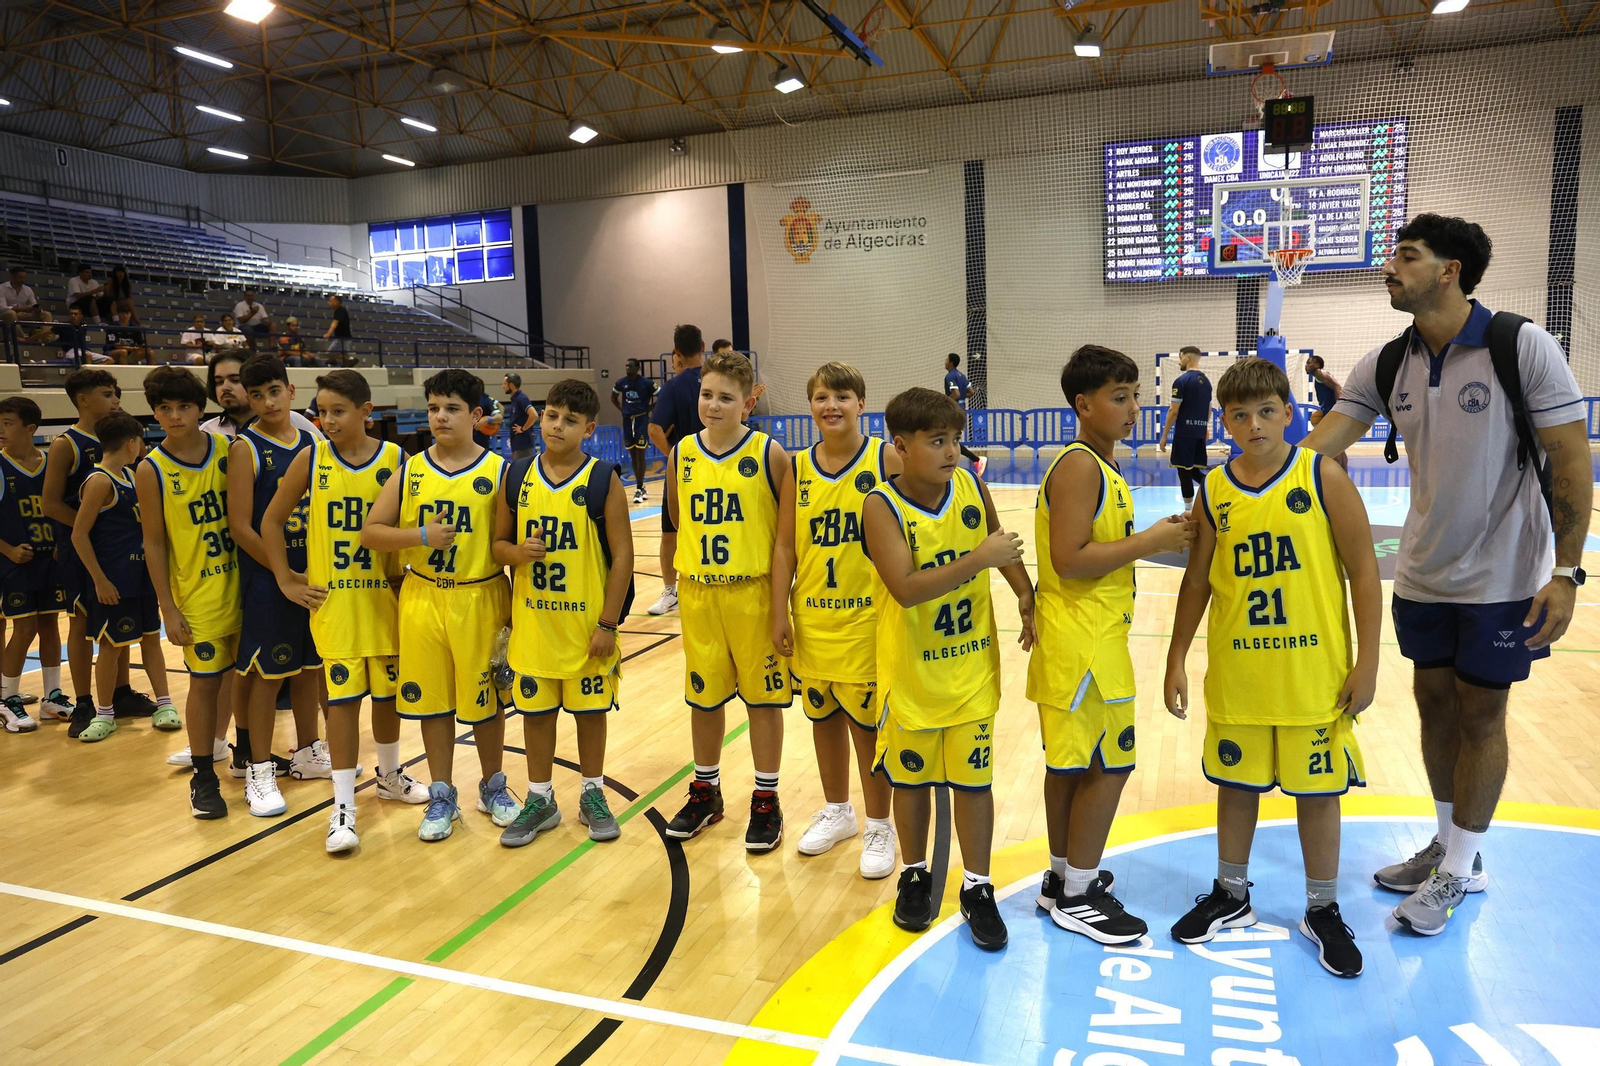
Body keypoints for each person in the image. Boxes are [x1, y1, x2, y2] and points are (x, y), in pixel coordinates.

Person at [1302, 213, 1591, 936]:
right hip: (1424, 572)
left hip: (1505, 576)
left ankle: (1462, 871)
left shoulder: (1521, 345)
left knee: (1481, 713)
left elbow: (1571, 462)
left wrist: (1567, 572)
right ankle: (1448, 845)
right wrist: (1243, 476)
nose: (1389, 268)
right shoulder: (1387, 362)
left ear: (1450, 270)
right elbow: (1313, 454)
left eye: (1406, 256)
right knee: (1433, 704)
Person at [1164, 357, 1379, 978]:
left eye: (1266, 411)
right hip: (1239, 672)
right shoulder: (1215, 489)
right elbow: (1198, 581)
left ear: (1290, 413)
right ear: (1223, 422)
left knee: (1318, 793)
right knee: (1236, 786)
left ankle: (1322, 907)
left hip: (1314, 673)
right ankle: (1231, 894)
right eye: (1239, 414)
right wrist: (1176, 654)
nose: (1253, 423)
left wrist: (1367, 662)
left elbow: (1365, 572)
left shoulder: (1322, 475)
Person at [1032, 346, 1195, 944]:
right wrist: (1150, 538)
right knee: (1110, 765)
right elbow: (1069, 560)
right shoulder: (1079, 466)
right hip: (1085, 647)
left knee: (1072, 766)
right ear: (1084, 405)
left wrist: (1160, 542)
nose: (1133, 408)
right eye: (1119, 397)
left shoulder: (1099, 466)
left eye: (1134, 395)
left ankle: (1061, 878)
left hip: (1082, 641)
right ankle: (1076, 894)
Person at [863, 387, 1034, 950]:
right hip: (911, 674)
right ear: (901, 446)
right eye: (937, 441)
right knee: (909, 783)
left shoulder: (970, 484)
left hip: (971, 670)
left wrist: (1025, 598)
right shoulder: (880, 506)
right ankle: (914, 874)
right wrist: (978, 560)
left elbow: (998, 545)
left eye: (955, 440)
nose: (950, 452)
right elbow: (906, 590)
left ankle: (978, 886)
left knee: (973, 782)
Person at [262, 370, 428, 852]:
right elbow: (271, 521)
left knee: (388, 698)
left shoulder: (399, 460)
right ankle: (341, 807)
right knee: (342, 703)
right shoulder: (310, 459)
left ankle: (391, 775)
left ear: (365, 412)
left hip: (388, 598)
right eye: (321, 411)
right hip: (335, 604)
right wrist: (286, 580)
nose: (327, 420)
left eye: (338, 411)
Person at [361, 369, 516, 842]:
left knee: (487, 702)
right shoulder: (410, 468)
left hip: (481, 594)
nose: (440, 416)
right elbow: (371, 533)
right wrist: (419, 537)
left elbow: (506, 545)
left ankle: (493, 786)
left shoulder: (499, 471)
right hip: (423, 594)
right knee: (433, 704)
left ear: (475, 415)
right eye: (433, 408)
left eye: (451, 408)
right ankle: (443, 793)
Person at [770, 362, 899, 879]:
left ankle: (880, 824)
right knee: (821, 719)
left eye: (842, 397)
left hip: (868, 619)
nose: (832, 406)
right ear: (811, 406)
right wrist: (779, 609)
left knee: (868, 728)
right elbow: (784, 545)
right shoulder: (799, 467)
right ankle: (839, 811)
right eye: (822, 397)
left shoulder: (884, 456)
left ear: (862, 405)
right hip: (814, 617)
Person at [661, 350, 792, 850]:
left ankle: (766, 797)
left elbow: (786, 536)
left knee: (762, 701)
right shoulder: (680, 455)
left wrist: (782, 605)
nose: (713, 405)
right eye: (706, 394)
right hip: (699, 593)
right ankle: (706, 789)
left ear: (748, 401)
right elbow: (677, 518)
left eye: (725, 397)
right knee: (704, 697)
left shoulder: (768, 454)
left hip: (751, 591)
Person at [494, 380, 633, 848]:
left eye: (570, 419)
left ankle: (592, 793)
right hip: (534, 626)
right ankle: (540, 799)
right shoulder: (516, 476)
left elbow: (624, 557)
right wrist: (518, 551)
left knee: (591, 714)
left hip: (585, 628)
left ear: (589, 428)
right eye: (552, 414)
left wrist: (608, 625)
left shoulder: (601, 479)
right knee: (536, 715)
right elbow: (496, 547)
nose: (557, 425)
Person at [226, 356, 329, 818]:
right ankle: (259, 768)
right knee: (269, 675)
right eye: (257, 395)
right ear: (248, 399)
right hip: (270, 578)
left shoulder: (312, 439)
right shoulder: (245, 448)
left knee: (310, 668)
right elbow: (241, 527)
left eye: (274, 391)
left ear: (290, 390)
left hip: (313, 572)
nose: (267, 402)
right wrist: (283, 573)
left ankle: (308, 751)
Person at [135, 367, 240, 817]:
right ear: (155, 412)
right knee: (205, 682)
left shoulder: (229, 449)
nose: (174, 416)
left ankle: (241, 755)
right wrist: (167, 606)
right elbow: (154, 541)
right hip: (197, 593)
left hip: (243, 581)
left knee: (243, 677)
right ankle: (203, 775)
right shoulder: (151, 468)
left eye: (183, 407)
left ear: (201, 409)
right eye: (165, 408)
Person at [43, 369, 153, 736]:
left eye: (117, 393)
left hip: (120, 552)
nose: (116, 400)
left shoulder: (122, 440)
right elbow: (49, 503)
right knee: (80, 623)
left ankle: (120, 693)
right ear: (83, 400)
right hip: (80, 549)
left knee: (118, 625)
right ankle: (84, 701)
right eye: (107, 394)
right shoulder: (66, 443)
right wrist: (93, 528)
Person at [71, 412, 178, 744]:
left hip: (141, 576)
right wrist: (100, 580)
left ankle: (164, 704)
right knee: (111, 647)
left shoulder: (132, 477)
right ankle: (104, 713)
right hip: (113, 580)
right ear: (132, 442)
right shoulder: (100, 480)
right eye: (141, 441)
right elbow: (78, 535)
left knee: (150, 640)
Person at [0, 397, 71, 733]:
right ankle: (7, 699)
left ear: (30, 428)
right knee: (24, 629)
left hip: (49, 561)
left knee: (50, 626)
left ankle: (52, 696)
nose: (1, 429)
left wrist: (61, 543)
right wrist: (9, 549)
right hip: (15, 564)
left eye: (8, 422)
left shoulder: (49, 464)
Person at [645, 326, 706, 616]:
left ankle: (671, 591)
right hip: (721, 466)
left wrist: (673, 455)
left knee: (670, 533)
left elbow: (654, 428)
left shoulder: (672, 386)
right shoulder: (718, 379)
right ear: (703, 346)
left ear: (677, 352)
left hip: (684, 468)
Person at [201, 351, 321, 440]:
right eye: (219, 382)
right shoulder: (206, 431)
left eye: (235, 380)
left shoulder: (295, 421)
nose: (225, 387)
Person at [1157, 345, 1213, 510]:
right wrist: (1205, 427)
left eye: (1180, 357)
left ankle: (1188, 511)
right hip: (1199, 433)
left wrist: (1164, 435)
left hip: (1185, 434)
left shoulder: (1181, 381)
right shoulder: (1207, 383)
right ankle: (1216, 491)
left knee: (1183, 472)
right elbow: (1209, 408)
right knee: (1195, 471)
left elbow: (1173, 411)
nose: (1179, 361)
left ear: (1188, 358)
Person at [611, 359, 657, 503]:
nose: (627, 368)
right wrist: (623, 410)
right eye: (626, 366)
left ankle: (639, 487)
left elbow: (660, 395)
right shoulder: (621, 383)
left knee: (640, 454)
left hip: (641, 420)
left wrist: (648, 409)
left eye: (630, 366)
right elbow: (613, 398)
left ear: (637, 368)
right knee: (633, 455)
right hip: (627, 420)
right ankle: (641, 486)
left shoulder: (647, 383)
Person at [942, 353, 988, 478]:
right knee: (950, 439)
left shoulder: (950, 376)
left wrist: (943, 402)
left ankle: (977, 460)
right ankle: (973, 461)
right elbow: (971, 392)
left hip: (953, 410)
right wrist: (962, 396)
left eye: (947, 359)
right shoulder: (961, 375)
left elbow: (955, 394)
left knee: (948, 439)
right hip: (961, 409)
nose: (945, 362)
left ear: (951, 362)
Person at [1304, 355, 1347, 472]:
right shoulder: (1320, 375)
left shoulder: (1320, 374)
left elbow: (1337, 386)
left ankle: (1338, 477)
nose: (1306, 365)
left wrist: (1339, 408)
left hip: (1332, 413)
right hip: (1330, 412)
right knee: (1340, 448)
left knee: (1333, 447)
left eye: (1309, 363)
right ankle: (1345, 477)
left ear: (1317, 365)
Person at [1, 267, 54, 343]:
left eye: (24, 278)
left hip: (23, 314)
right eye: (20, 278)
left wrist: (37, 309)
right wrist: (21, 309)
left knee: (46, 314)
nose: (22, 280)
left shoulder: (28, 290)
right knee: (11, 313)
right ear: (12, 276)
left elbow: (33, 304)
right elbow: (2, 308)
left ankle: (46, 338)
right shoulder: (2, 288)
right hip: (6, 315)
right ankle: (22, 338)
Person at [502, 374, 537, 461]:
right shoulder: (515, 399)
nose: (503, 386)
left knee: (524, 472)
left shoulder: (521, 398)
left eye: (505, 384)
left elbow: (534, 415)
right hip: (517, 445)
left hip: (523, 445)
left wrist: (523, 429)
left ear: (511, 385)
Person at [322, 294, 353, 363]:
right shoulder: (338, 311)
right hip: (340, 338)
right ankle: (344, 360)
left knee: (331, 353)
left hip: (343, 338)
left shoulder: (341, 310)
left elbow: (335, 323)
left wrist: (328, 334)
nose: (328, 303)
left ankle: (348, 360)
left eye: (330, 301)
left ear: (336, 302)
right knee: (331, 354)